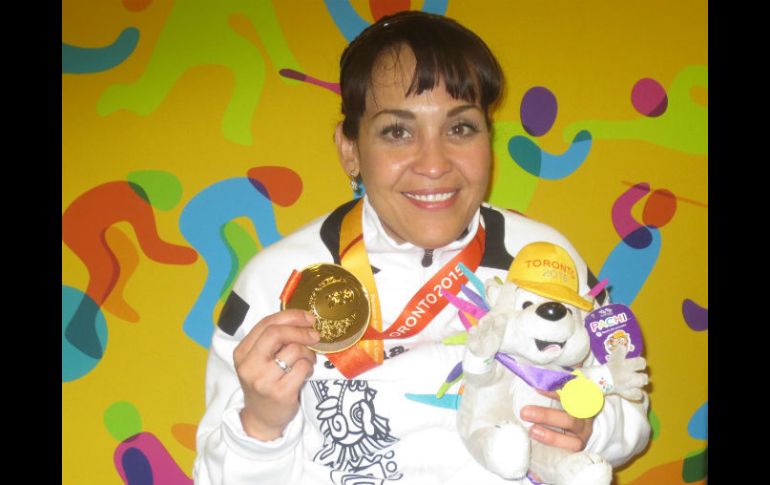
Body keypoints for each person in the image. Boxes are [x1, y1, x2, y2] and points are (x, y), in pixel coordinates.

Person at [194, 11, 650, 485]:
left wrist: (595, 426)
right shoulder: (275, 282)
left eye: (460, 128)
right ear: (350, 148)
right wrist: (262, 424)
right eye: (397, 131)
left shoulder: (545, 257)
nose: (434, 164)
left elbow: (629, 404)